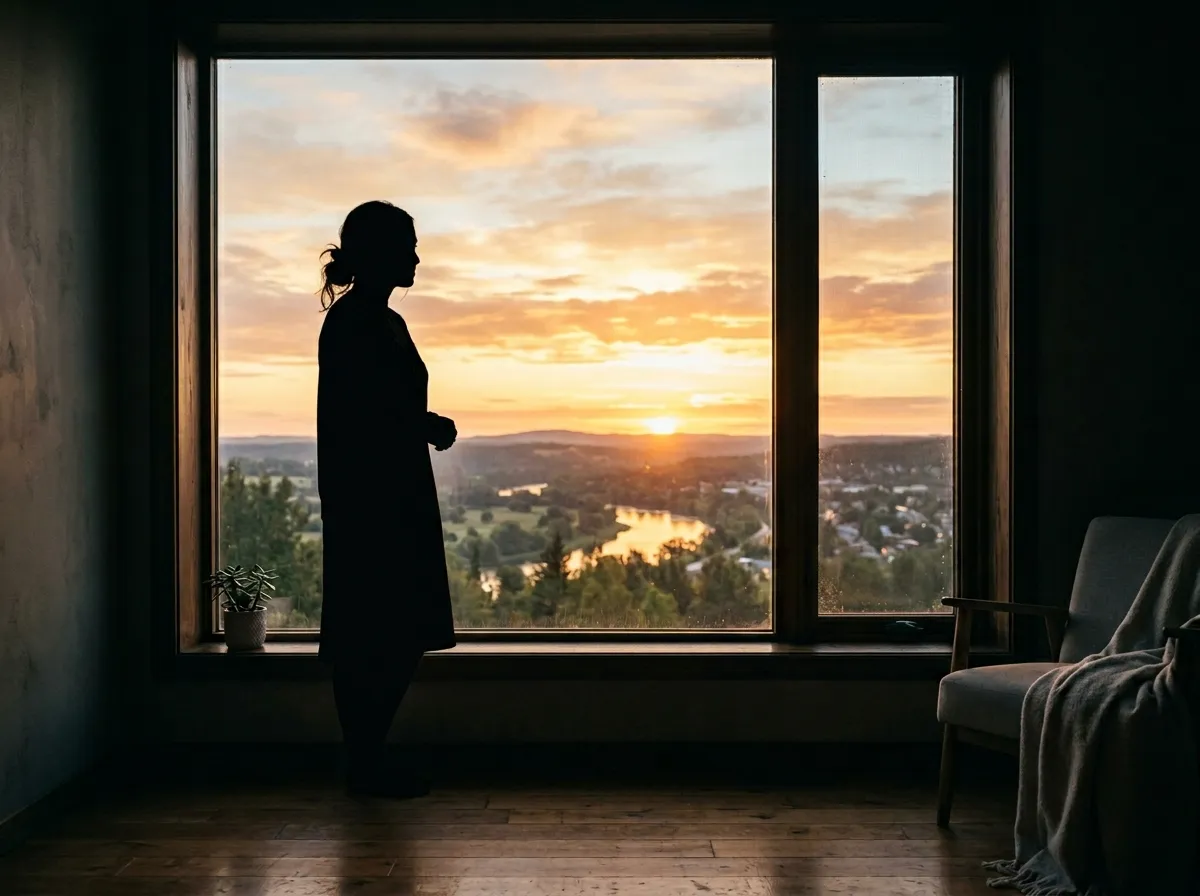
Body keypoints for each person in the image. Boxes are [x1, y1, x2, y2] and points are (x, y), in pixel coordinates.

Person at [315, 200, 457, 798]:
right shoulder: (359, 322)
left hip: (382, 493)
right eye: (409, 245)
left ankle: (367, 758)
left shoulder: (374, 320)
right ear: (379, 253)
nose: (418, 256)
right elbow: (367, 413)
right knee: (382, 630)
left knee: (384, 629)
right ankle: (366, 762)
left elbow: (372, 405)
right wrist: (425, 425)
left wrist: (419, 423)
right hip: (377, 499)